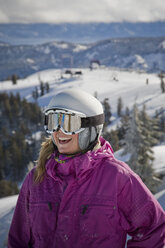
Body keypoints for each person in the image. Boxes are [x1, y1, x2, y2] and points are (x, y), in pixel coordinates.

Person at [8, 88, 165, 248]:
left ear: (90, 129)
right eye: (54, 122)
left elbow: (154, 228)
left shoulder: (116, 177)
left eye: (69, 123)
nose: (59, 131)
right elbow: (18, 240)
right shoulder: (37, 178)